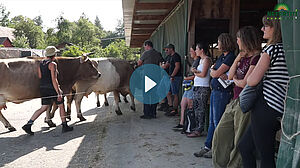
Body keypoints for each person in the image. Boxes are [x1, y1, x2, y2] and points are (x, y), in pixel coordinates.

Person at [238, 15, 289, 168]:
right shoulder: (287, 51)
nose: (262, 29)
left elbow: (252, 81)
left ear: (275, 28)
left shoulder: (271, 49)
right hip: (279, 106)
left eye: (266, 26)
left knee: (265, 155)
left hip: (266, 106)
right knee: (245, 147)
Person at [212, 26, 261, 168]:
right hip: (234, 100)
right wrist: (237, 59)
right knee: (221, 133)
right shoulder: (242, 57)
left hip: (245, 102)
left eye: (239, 38)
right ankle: (220, 164)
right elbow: (230, 75)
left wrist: (235, 80)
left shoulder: (256, 57)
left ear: (245, 39)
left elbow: (246, 83)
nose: (237, 41)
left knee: (239, 139)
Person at [194, 33, 236, 158]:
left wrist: (215, 72)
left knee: (218, 121)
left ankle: (217, 149)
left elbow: (215, 72)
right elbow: (213, 72)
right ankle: (208, 146)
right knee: (212, 121)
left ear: (224, 43)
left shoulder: (230, 57)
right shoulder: (222, 57)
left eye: (219, 42)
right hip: (215, 91)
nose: (218, 45)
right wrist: (215, 72)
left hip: (222, 93)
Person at [22, 46, 73, 135]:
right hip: (52, 88)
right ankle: (65, 126)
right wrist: (58, 92)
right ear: (54, 54)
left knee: (43, 108)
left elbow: (40, 76)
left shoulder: (41, 63)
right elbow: (54, 79)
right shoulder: (53, 64)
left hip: (43, 88)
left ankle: (29, 124)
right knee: (61, 105)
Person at [186, 42, 211, 137]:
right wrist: (196, 72)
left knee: (201, 109)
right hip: (197, 86)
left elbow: (203, 74)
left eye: (197, 49)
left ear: (202, 50)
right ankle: (196, 128)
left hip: (203, 87)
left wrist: (195, 72)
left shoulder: (207, 60)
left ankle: (199, 129)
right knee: (196, 108)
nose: (195, 51)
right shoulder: (200, 60)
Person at [138, 40, 164, 119]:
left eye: (145, 46)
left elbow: (139, 62)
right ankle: (153, 113)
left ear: (147, 45)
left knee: (146, 96)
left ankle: (147, 114)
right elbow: (162, 62)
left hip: (147, 77)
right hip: (156, 77)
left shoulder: (146, 53)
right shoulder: (158, 53)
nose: (145, 48)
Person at [173, 46, 197, 131]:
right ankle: (182, 123)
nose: (190, 53)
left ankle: (189, 127)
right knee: (183, 104)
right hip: (188, 86)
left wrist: (187, 78)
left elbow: (197, 76)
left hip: (193, 85)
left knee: (190, 105)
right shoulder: (194, 61)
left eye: (192, 51)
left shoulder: (198, 61)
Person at [164, 44, 182, 116]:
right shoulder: (170, 57)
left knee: (175, 93)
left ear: (171, 49)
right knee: (168, 92)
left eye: (167, 49)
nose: (166, 51)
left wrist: (172, 76)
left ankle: (175, 109)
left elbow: (177, 67)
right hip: (171, 76)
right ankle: (170, 107)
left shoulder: (176, 56)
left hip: (175, 77)